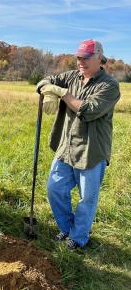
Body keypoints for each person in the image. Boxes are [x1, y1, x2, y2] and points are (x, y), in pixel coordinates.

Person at [36, 39, 120, 250]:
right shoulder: (71, 77)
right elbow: (45, 81)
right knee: (54, 189)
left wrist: (62, 93)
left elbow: (88, 110)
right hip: (66, 146)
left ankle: (79, 238)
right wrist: (48, 90)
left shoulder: (109, 85)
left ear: (99, 57)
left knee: (86, 199)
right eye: (78, 57)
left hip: (91, 151)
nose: (80, 61)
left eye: (86, 57)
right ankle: (67, 228)